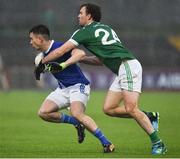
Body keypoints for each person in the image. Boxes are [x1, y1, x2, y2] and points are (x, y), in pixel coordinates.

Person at [41, 4, 167, 155]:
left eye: (81, 13)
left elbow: (61, 50)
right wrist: (80, 59)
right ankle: (147, 116)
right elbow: (100, 60)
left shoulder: (83, 32)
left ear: (89, 16)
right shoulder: (106, 28)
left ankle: (158, 143)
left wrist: (42, 63)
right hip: (124, 68)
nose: (78, 16)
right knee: (109, 109)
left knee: (131, 108)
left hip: (126, 65)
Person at [29, 24, 115, 153]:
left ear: (40, 39)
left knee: (77, 113)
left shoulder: (59, 47)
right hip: (63, 89)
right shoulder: (41, 57)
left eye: (32, 39)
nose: (30, 42)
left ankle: (107, 143)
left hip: (78, 85)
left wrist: (63, 65)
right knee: (43, 113)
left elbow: (80, 53)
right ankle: (76, 122)